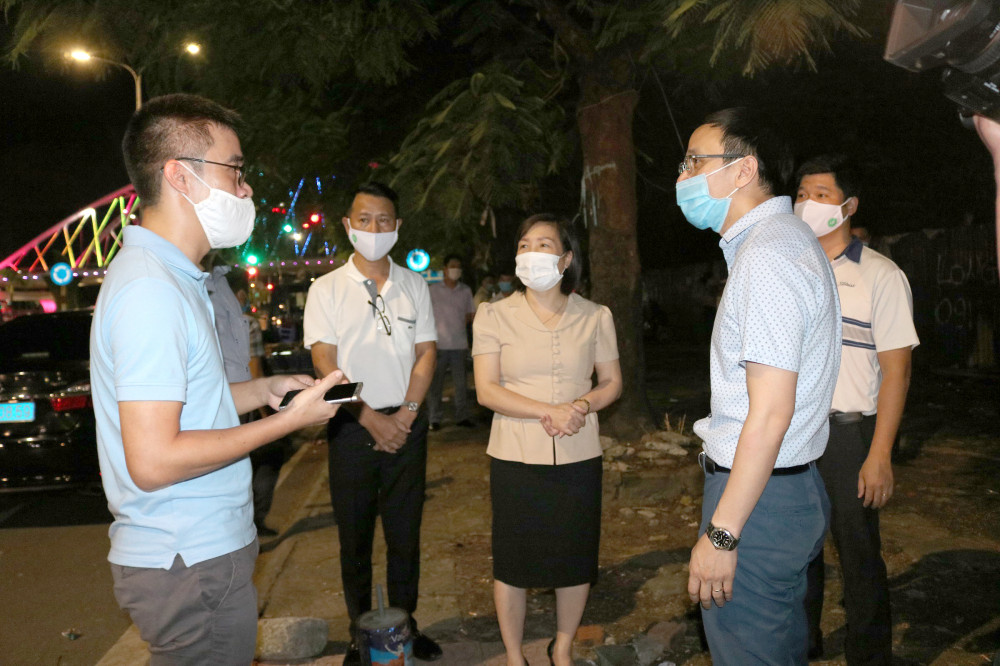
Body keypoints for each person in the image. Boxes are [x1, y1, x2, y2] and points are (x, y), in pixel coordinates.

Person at [89, 93, 344, 664]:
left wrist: (262, 391)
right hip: (189, 557)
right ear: (179, 176)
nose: (246, 190)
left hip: (198, 551)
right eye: (236, 169)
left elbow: (181, 404)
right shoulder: (151, 290)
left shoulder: (174, 278)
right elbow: (154, 460)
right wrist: (289, 424)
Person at [675, 107, 841, 664]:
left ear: (743, 170)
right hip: (779, 490)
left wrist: (723, 535)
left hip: (757, 503)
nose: (683, 176)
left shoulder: (768, 256)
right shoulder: (782, 241)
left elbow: (770, 412)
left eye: (694, 162)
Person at [472, 214, 622, 666]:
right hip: (515, 455)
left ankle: (564, 646)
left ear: (566, 258)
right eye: (524, 245)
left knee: (575, 557)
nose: (531, 252)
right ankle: (514, 654)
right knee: (512, 562)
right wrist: (546, 410)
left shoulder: (595, 316)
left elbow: (612, 382)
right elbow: (486, 390)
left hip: (579, 453)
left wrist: (582, 405)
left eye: (544, 244)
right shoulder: (493, 315)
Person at [303, 182, 442, 664]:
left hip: (407, 424)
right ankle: (359, 635)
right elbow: (324, 360)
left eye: (384, 220)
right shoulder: (325, 289)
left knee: (405, 534)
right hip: (350, 426)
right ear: (348, 225)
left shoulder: (414, 285)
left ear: (397, 226)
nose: (374, 228)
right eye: (364, 219)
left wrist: (405, 415)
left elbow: (426, 353)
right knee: (355, 537)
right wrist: (367, 417)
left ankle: (406, 627)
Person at [796, 155, 919, 664]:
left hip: (849, 435)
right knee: (798, 549)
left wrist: (880, 455)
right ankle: (801, 644)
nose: (807, 203)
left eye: (821, 195)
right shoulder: (791, 269)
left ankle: (868, 656)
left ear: (849, 206)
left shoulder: (881, 276)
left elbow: (897, 372)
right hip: (793, 433)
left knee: (859, 555)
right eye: (801, 193)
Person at [427, 254, 477, 430]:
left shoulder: (465, 291)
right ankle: (434, 418)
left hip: (459, 345)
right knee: (436, 384)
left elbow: (470, 314)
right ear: (445, 269)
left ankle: (462, 416)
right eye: (453, 266)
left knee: (461, 384)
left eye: (458, 266)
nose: (456, 269)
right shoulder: (433, 290)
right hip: (438, 345)